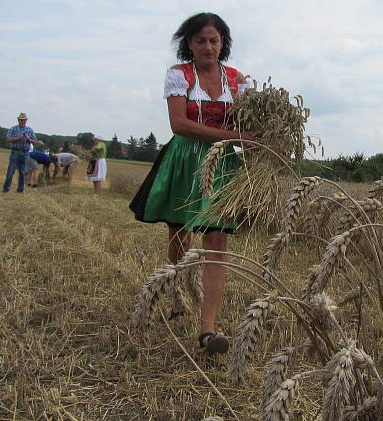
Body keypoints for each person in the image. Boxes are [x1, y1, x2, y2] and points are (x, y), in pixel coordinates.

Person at [129, 12, 254, 354]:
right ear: (189, 43)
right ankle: (178, 293)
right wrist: (232, 135)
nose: (208, 47)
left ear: (223, 43)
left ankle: (208, 330)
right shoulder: (179, 75)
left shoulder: (237, 80)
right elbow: (179, 124)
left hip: (223, 166)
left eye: (214, 40)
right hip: (185, 161)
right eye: (200, 40)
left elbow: (250, 123)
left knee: (216, 240)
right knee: (180, 233)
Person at [2, 112, 37, 193]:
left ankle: (20, 190)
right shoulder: (13, 129)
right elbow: (8, 139)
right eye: (21, 120)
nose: (22, 121)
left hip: (25, 153)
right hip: (15, 152)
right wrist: (19, 138)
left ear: (26, 120)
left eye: (24, 120)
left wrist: (29, 139)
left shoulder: (30, 130)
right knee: (11, 172)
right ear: (18, 120)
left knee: (23, 172)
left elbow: (35, 141)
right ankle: (5, 189)